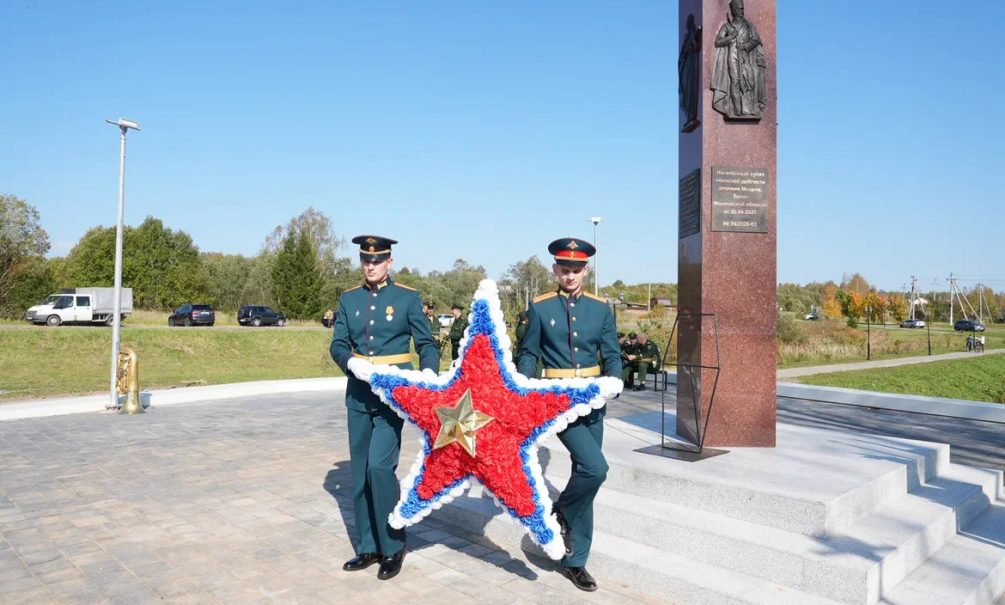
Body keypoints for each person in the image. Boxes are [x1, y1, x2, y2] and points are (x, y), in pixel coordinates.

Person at [329, 235, 439, 581]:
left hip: (394, 395)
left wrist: (426, 378)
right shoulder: (349, 299)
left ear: (389, 262)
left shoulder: (407, 298)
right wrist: (350, 363)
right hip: (359, 393)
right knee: (360, 473)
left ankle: (393, 545)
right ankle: (368, 546)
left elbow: (426, 343)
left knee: (379, 468)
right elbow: (338, 344)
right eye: (366, 261)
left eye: (377, 261)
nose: (371, 266)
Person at [516, 237, 621, 592]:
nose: (570, 275)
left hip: (594, 401)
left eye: (577, 269)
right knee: (596, 468)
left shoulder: (601, 307)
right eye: (565, 269)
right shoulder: (541, 307)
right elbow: (528, 353)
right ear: (555, 270)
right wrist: (525, 387)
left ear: (585, 271)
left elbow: (612, 353)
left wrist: (616, 380)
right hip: (559, 402)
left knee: (586, 475)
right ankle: (559, 512)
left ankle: (576, 561)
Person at [710, 0, 766, 119]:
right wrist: (730, 37)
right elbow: (717, 42)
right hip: (732, 56)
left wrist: (745, 46)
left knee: (748, 81)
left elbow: (756, 40)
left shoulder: (749, 26)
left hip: (745, 58)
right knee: (735, 81)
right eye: (739, 8)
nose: (742, 11)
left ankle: (749, 108)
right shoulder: (727, 27)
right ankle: (737, 110)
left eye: (742, 8)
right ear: (733, 10)